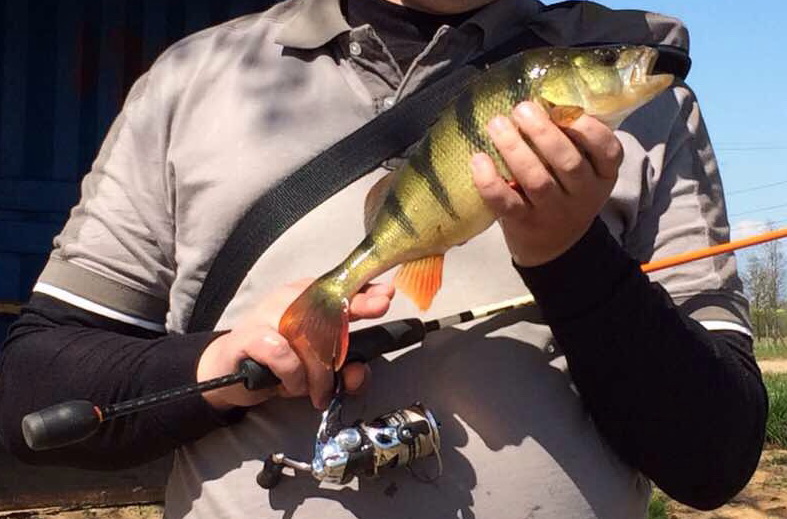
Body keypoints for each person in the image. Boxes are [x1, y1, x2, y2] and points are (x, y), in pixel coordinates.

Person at [0, 0, 767, 517]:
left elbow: (714, 455)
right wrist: (217, 367)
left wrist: (570, 255)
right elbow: (30, 385)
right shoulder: (192, 81)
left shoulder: (652, 111)